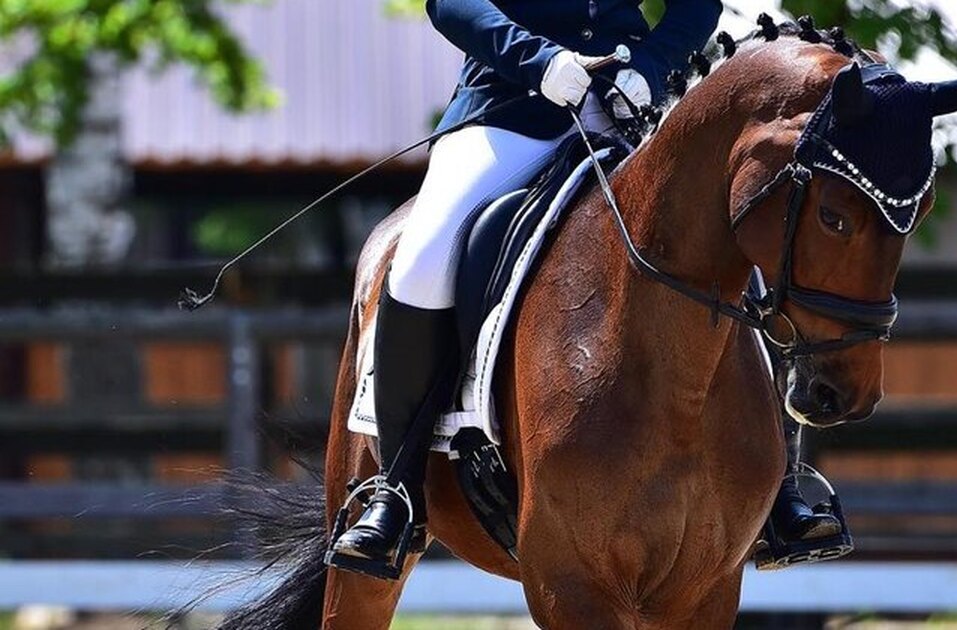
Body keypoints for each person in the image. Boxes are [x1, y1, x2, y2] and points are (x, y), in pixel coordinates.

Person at [326, 0, 843, 579]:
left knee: (737, 246)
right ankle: (395, 488)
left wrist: (648, 66)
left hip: (630, 111)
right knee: (422, 258)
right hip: (509, 107)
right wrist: (540, 61)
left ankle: (778, 489)